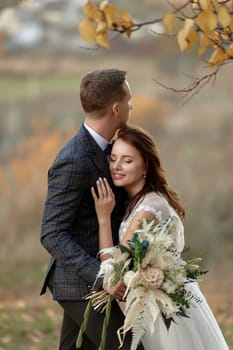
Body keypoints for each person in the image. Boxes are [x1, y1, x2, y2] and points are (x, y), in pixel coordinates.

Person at [91, 125, 229, 350]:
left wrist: (103, 219)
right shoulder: (140, 200)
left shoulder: (150, 207)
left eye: (127, 160)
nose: (116, 166)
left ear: (145, 165)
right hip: (154, 303)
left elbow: (112, 273)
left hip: (166, 308)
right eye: (114, 158)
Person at [40, 69, 145, 350]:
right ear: (116, 108)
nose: (131, 106)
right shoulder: (73, 160)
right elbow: (51, 233)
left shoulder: (111, 148)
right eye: (129, 100)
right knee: (130, 346)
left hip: (95, 277)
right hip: (80, 282)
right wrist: (103, 275)